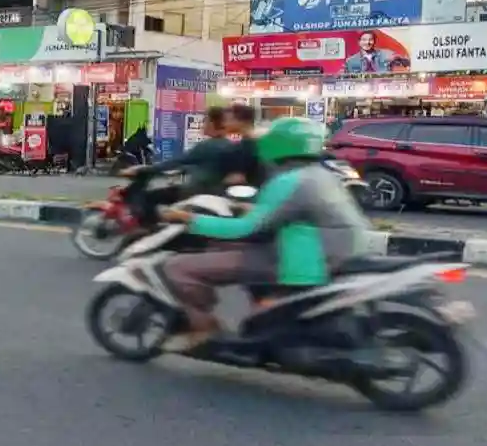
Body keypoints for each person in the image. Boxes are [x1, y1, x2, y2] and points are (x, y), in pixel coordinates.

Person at [158, 117, 370, 351]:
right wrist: (251, 209)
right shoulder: (321, 174)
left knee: (179, 267)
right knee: (222, 249)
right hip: (333, 252)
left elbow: (246, 228)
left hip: (303, 259)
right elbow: (291, 212)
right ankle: (260, 308)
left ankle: (204, 328)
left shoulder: (290, 180)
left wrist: (190, 220)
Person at [120, 107, 234, 226]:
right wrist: (182, 170)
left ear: (212, 123)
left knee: (149, 197)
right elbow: (204, 166)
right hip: (213, 191)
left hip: (195, 191)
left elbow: (177, 161)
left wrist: (142, 169)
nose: (202, 125)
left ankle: (147, 228)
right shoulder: (228, 145)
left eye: (205, 121)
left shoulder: (207, 146)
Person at [221, 103, 267, 189]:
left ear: (243, 122)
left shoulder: (246, 145)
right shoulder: (260, 140)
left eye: (227, 120)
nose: (224, 124)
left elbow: (238, 178)